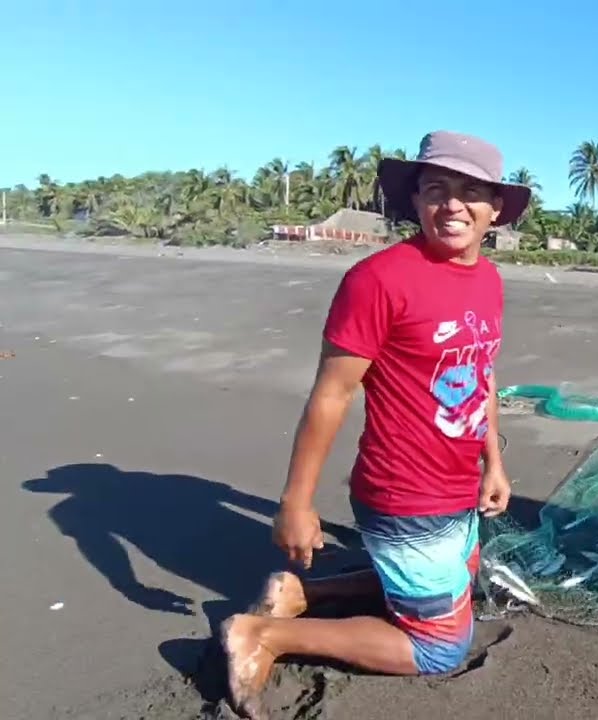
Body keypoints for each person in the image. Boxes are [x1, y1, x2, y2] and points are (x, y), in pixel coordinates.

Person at [220, 131, 531, 719]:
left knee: (462, 576)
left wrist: (494, 462)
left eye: (470, 192)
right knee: (440, 647)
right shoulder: (379, 279)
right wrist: (296, 502)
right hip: (404, 491)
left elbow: (482, 373)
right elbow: (331, 394)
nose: (452, 205)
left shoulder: (488, 280)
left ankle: (301, 593)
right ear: (415, 200)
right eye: (436, 189)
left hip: (460, 482)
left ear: (496, 208)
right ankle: (262, 634)